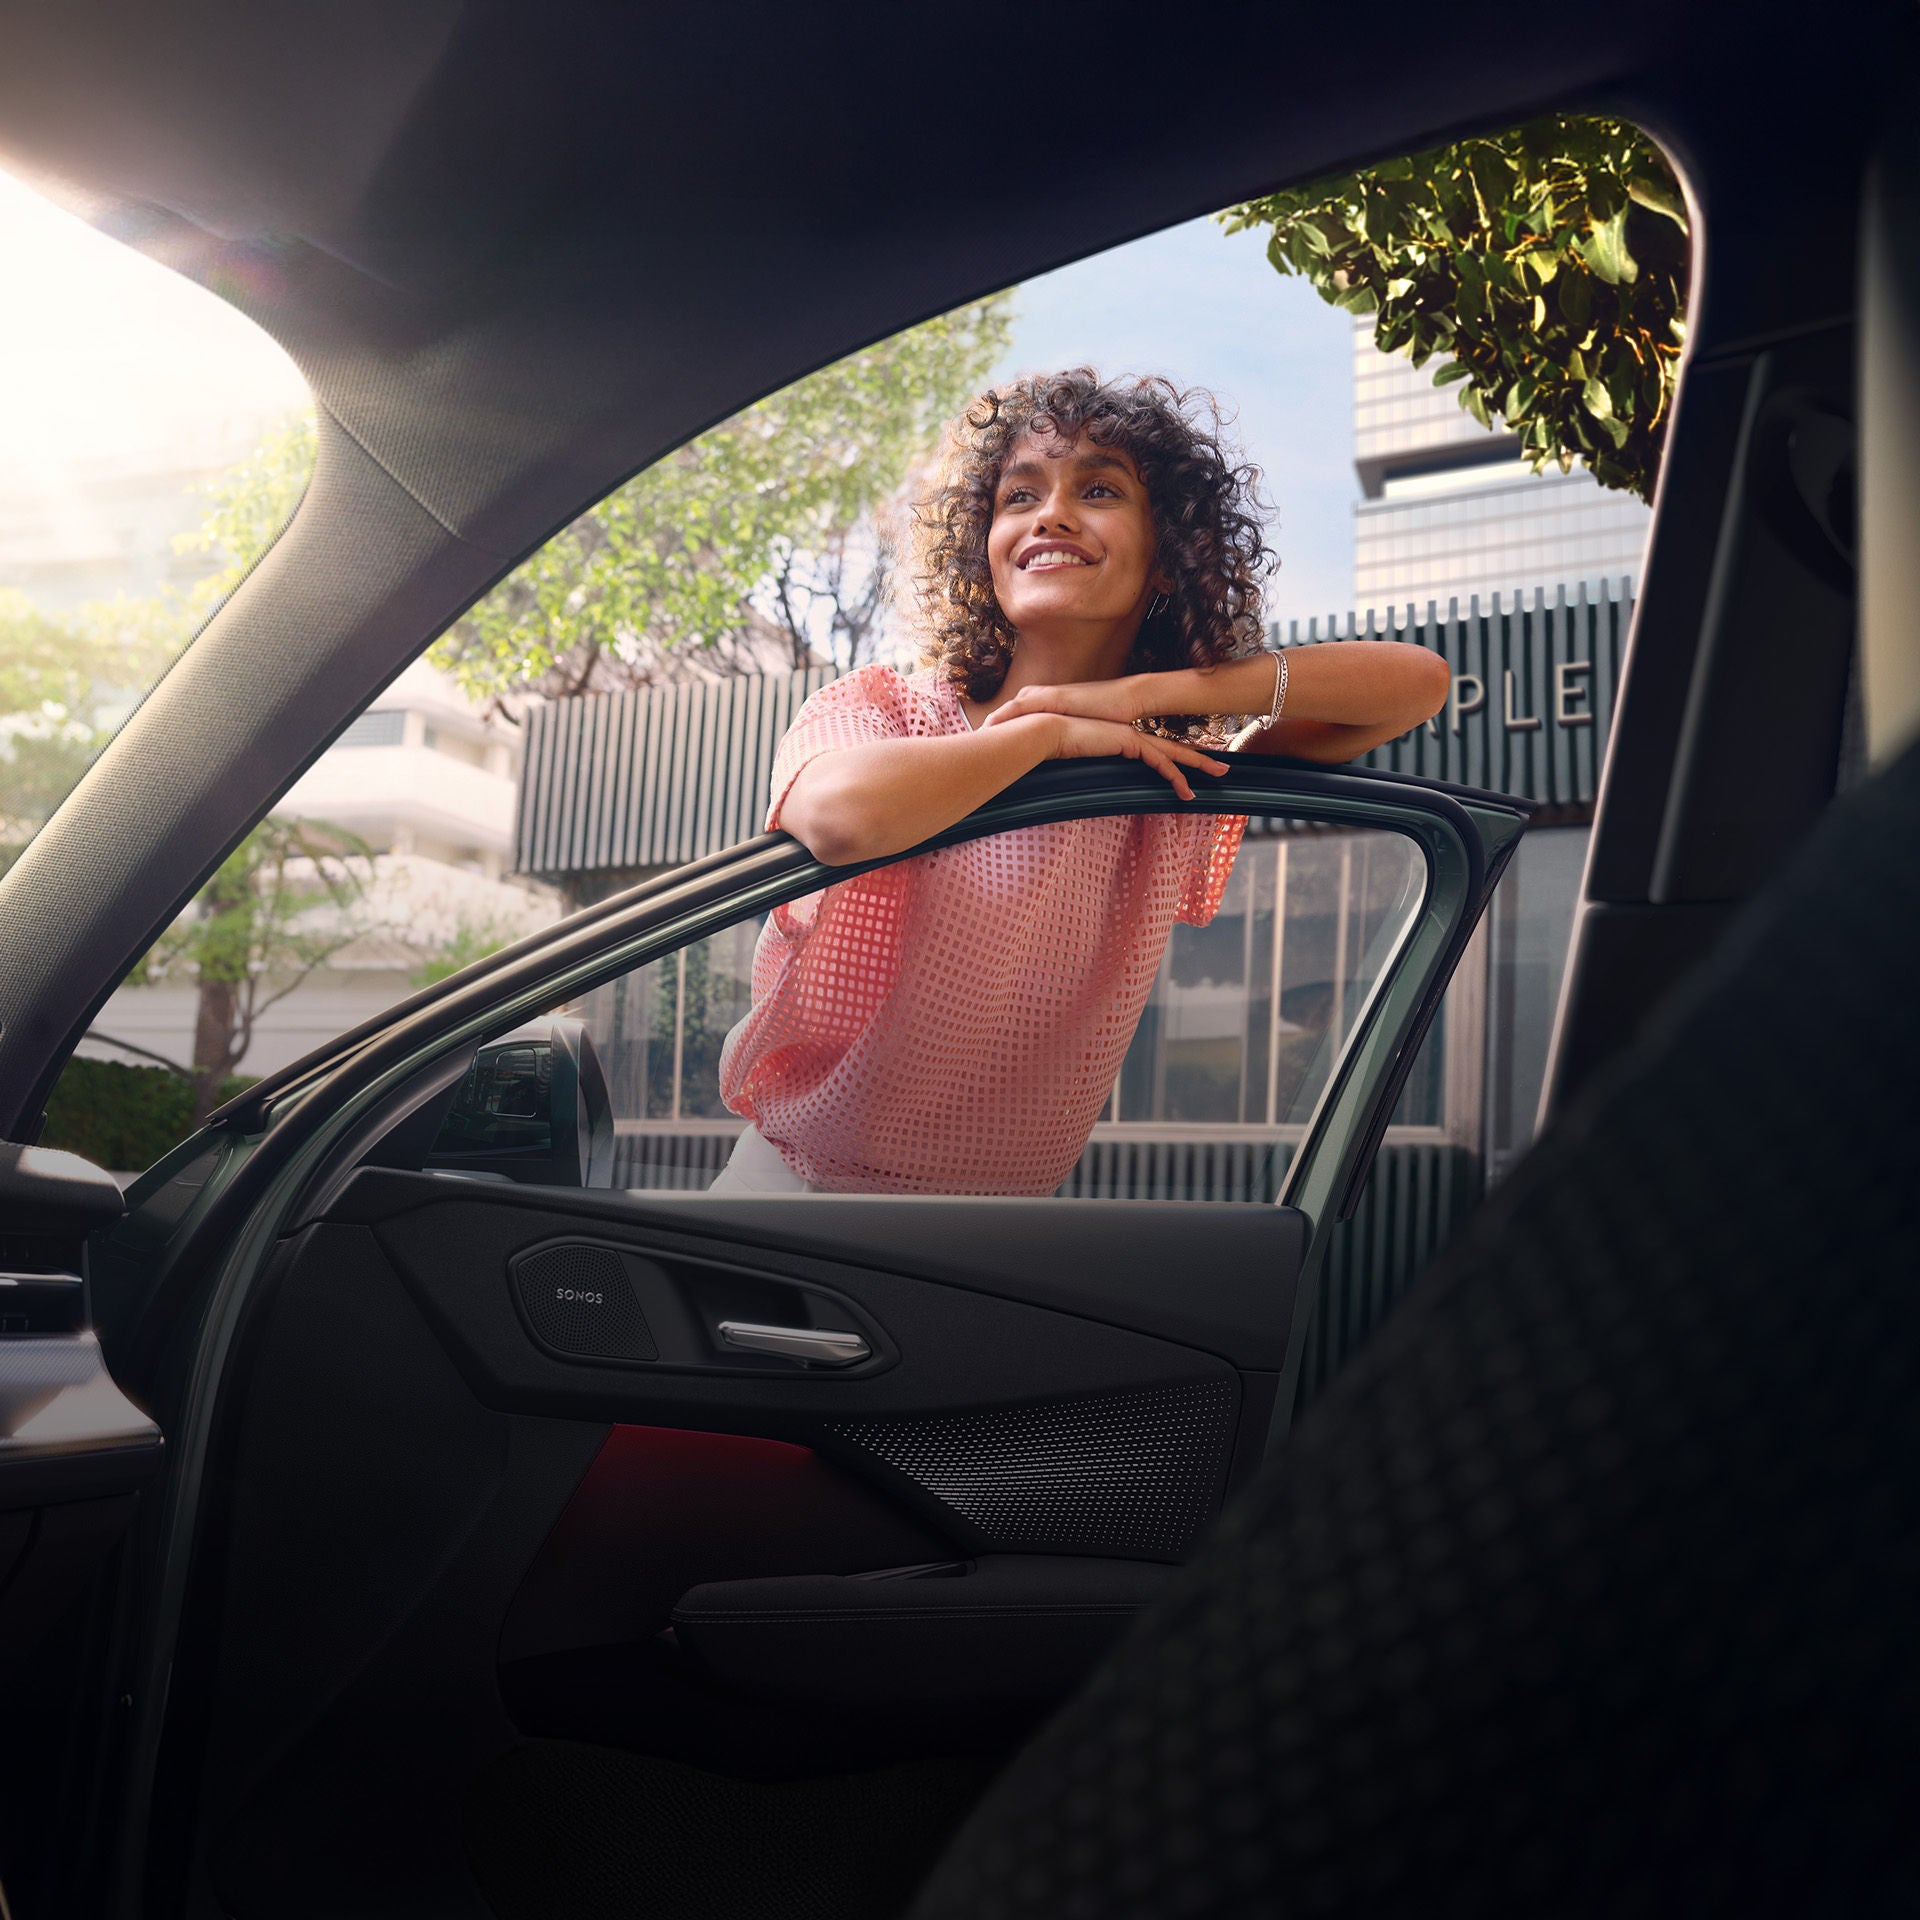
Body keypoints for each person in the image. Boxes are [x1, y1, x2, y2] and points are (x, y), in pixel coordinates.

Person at [709, 370, 1449, 1196]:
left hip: (1006, 1225)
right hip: (800, 1190)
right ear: (984, 549)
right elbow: (838, 818)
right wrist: (1050, 733)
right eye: (1018, 496)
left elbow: (1416, 684)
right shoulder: (889, 709)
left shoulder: (1168, 756)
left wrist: (1144, 698)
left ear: (1167, 554)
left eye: (1097, 488)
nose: (1050, 514)